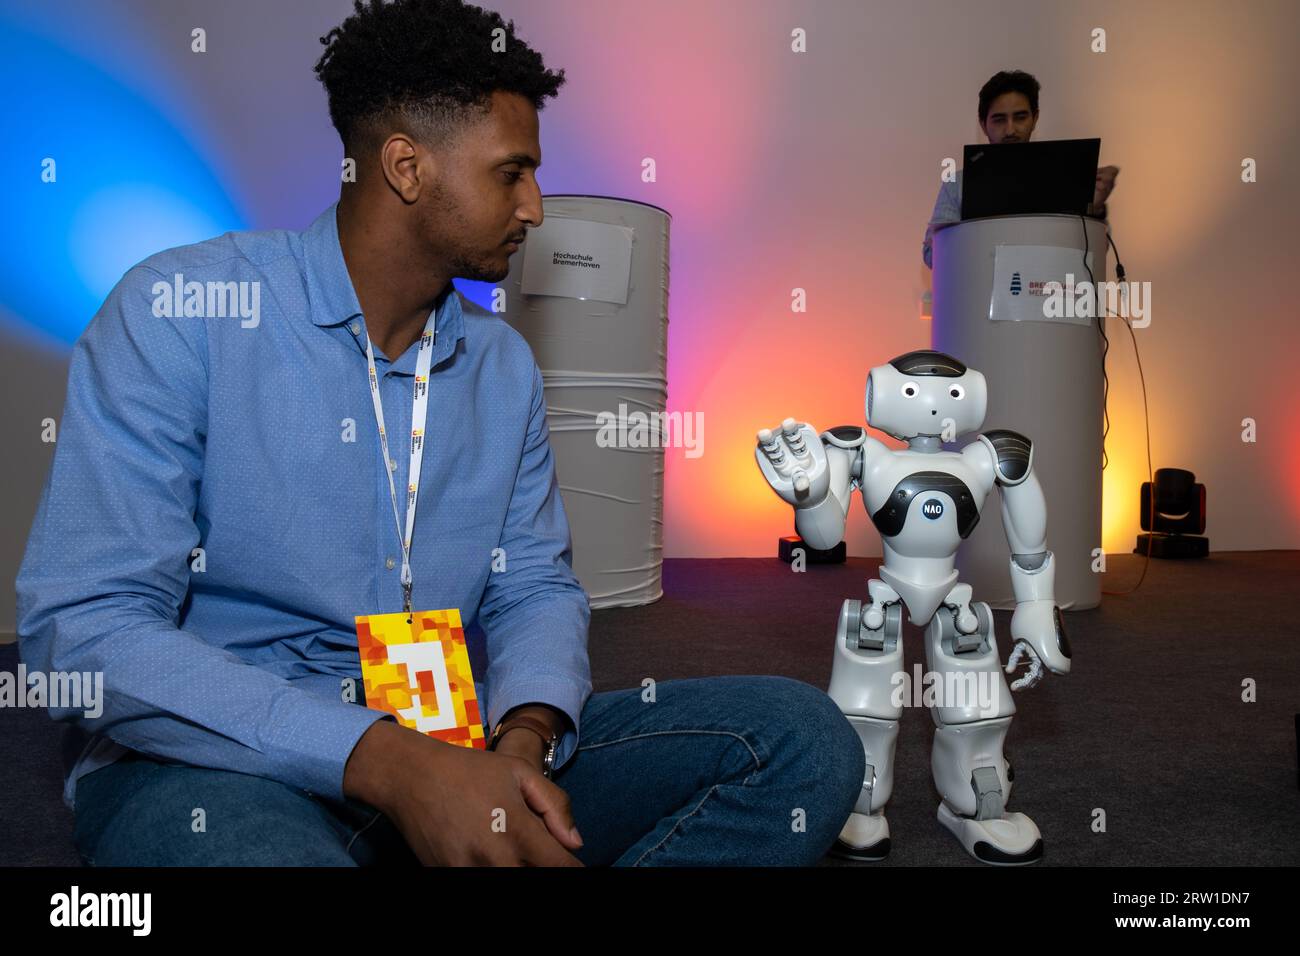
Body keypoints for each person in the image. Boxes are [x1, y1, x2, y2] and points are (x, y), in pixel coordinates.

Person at [14, 0, 863, 866]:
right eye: (512, 173)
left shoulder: (502, 367)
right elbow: (81, 631)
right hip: (220, 766)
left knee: (801, 742)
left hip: (458, 744)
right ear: (407, 168)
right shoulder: (182, 314)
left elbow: (534, 587)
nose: (534, 206)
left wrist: (519, 749)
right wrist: (384, 762)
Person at [921, 69, 1120, 268]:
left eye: (1020, 117)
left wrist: (1096, 209)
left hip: (1047, 294)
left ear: (1035, 118)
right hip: (979, 295)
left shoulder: (1063, 176)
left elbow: (1096, 251)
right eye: (999, 120)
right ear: (983, 124)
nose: (1010, 130)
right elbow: (931, 256)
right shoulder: (957, 184)